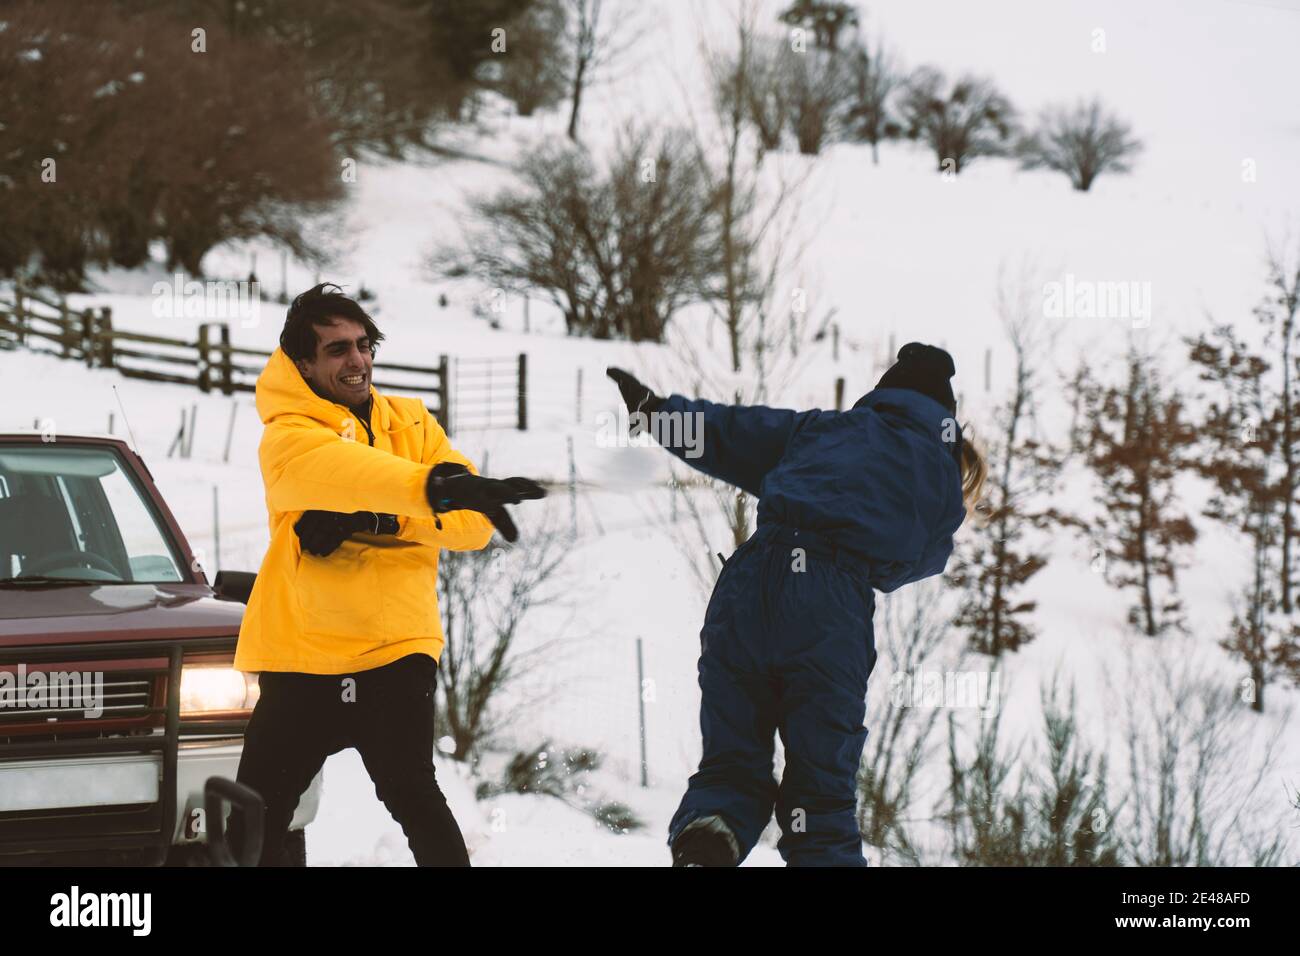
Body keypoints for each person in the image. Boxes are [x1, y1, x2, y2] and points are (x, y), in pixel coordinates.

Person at [606, 343, 986, 866]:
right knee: (820, 799)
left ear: (882, 394)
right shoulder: (938, 470)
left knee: (730, 766)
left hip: (747, 585)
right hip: (828, 608)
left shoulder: (824, 429)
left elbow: (731, 434)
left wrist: (657, 413)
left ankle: (705, 846)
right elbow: (919, 560)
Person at [228, 283, 545, 866]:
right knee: (254, 815)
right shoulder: (287, 435)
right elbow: (340, 469)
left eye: (364, 344)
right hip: (306, 654)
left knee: (413, 794)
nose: (358, 361)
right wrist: (429, 491)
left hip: (397, 648)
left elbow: (472, 529)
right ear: (302, 363)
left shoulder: (413, 424)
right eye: (337, 350)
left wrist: (383, 516)